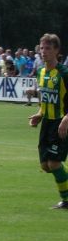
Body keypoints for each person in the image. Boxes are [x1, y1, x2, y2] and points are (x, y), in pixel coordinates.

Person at [27, 33, 68, 209]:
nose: (43, 52)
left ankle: (66, 200)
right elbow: (45, 99)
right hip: (47, 123)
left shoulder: (64, 73)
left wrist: (66, 119)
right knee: (45, 165)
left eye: (48, 48)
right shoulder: (41, 72)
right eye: (41, 48)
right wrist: (39, 113)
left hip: (61, 123)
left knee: (54, 162)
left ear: (57, 51)